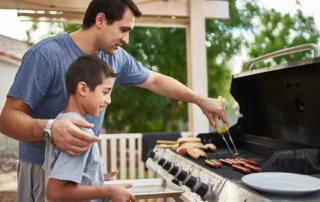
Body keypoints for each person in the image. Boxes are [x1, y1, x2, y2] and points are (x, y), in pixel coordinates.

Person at [0, 0, 228, 201]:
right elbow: (7, 119)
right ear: (100, 19)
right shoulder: (46, 55)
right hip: (42, 171)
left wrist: (199, 100)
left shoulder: (114, 57)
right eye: (123, 29)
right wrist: (50, 128)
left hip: (79, 173)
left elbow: (155, 81)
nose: (126, 39)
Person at [43, 54, 134, 202]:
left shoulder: (60, 122)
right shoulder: (79, 131)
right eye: (105, 92)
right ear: (83, 89)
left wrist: (94, 177)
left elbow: (47, 173)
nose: (108, 100)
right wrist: (108, 190)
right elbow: (55, 192)